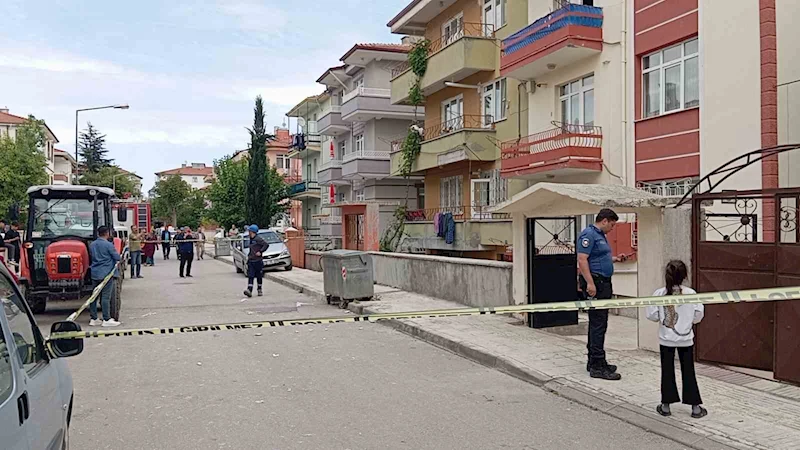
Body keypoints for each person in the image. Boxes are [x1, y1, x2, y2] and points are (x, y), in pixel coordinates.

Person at [646, 260, 707, 419]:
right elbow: (698, 316)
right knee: (688, 371)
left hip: (666, 339)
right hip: (686, 338)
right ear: (685, 276)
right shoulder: (691, 294)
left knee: (667, 371)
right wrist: (688, 322)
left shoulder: (659, 294)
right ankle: (695, 406)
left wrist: (661, 316)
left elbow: (651, 315)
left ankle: (666, 405)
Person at [577, 208, 628, 381]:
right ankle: (597, 366)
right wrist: (590, 283)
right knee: (598, 323)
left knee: (599, 323)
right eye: (612, 225)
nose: (612, 228)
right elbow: (582, 259)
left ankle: (594, 360)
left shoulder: (600, 235)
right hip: (596, 284)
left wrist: (615, 259)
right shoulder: (588, 235)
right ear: (604, 220)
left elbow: (597, 257)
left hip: (603, 282)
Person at [88, 226, 122, 327]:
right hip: (107, 273)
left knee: (94, 296)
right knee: (105, 297)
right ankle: (106, 318)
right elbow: (116, 257)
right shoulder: (108, 245)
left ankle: (93, 318)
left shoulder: (92, 245)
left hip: (95, 273)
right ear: (107, 233)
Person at [243, 225, 267, 297]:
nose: (248, 232)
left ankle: (259, 289)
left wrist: (260, 251)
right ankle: (249, 290)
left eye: (249, 231)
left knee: (259, 276)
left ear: (252, 232)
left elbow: (266, 245)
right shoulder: (250, 239)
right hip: (251, 260)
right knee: (251, 275)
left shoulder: (258, 239)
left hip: (258, 261)